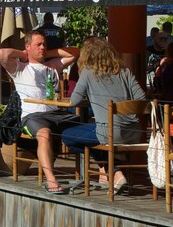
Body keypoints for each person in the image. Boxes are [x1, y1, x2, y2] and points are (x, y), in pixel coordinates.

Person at [0, 31, 80, 195]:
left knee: (83, 126)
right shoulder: (20, 67)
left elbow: (75, 52)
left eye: (44, 44)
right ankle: (51, 180)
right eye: (38, 45)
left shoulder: (53, 65)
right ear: (28, 46)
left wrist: (47, 53)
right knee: (44, 134)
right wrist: (25, 54)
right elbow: (2, 53)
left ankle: (103, 175)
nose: (42, 47)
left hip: (56, 113)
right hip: (32, 115)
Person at [61, 39, 147, 193]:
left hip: (109, 133)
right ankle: (115, 171)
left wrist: (92, 96)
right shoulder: (124, 71)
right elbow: (141, 100)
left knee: (67, 135)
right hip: (135, 132)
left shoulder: (88, 72)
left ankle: (113, 170)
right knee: (96, 135)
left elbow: (74, 101)